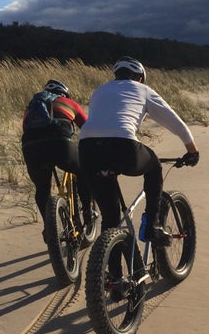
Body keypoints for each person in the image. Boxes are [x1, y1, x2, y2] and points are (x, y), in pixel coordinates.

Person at [78, 56, 199, 246]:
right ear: (140, 78)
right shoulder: (143, 90)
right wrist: (192, 151)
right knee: (154, 167)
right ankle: (153, 224)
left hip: (87, 149)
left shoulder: (99, 91)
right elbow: (174, 122)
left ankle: (111, 274)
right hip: (123, 146)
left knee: (110, 218)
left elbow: (99, 123)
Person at [21, 79, 94, 243]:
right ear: (64, 94)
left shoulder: (31, 108)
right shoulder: (69, 103)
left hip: (31, 148)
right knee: (82, 170)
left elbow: (26, 130)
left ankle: (49, 227)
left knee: (42, 189)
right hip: (60, 145)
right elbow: (88, 128)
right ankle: (88, 213)